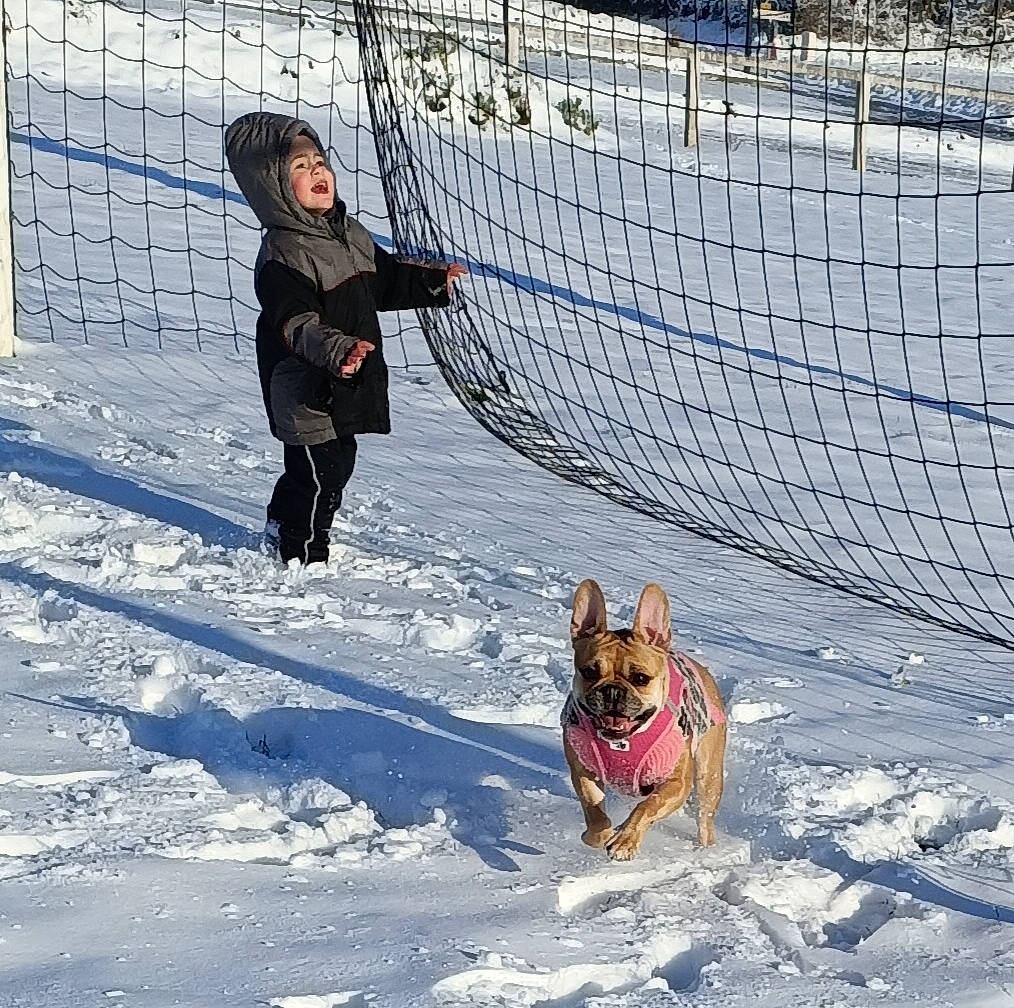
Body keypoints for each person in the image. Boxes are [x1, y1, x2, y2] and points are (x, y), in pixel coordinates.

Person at [225, 112, 467, 565]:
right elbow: (296, 322)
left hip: (347, 378)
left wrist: (432, 282)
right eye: (300, 167)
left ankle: (281, 524)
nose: (317, 171)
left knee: (336, 465)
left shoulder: (349, 233)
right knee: (319, 475)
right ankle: (301, 555)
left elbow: (385, 280)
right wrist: (337, 350)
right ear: (273, 187)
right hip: (304, 384)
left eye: (319, 161)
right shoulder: (284, 254)